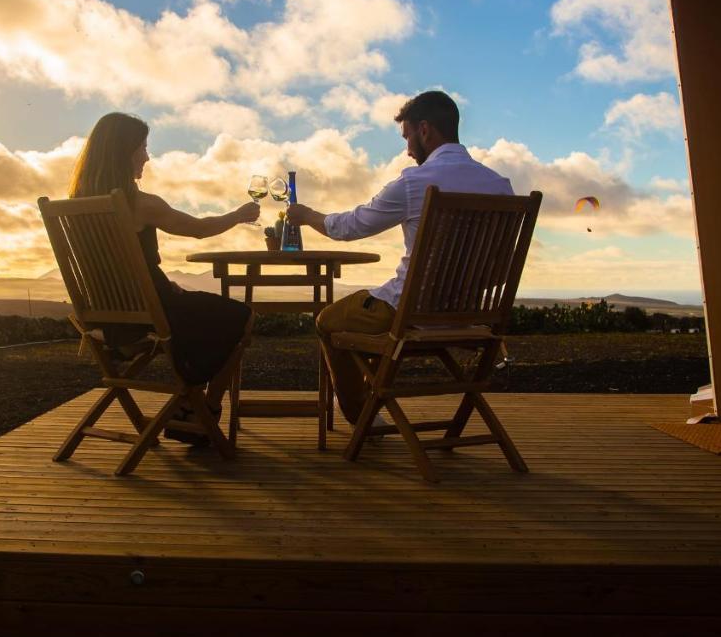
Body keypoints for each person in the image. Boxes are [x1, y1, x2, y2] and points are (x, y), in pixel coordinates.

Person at [286, 90, 514, 426]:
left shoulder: (414, 183)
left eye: (407, 136)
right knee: (367, 327)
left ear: (425, 130)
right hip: (468, 317)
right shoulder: (500, 186)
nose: (408, 150)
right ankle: (370, 400)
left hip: (407, 312)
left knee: (328, 320)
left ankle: (358, 413)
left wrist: (306, 215)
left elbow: (350, 226)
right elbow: (499, 270)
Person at [68, 112, 259, 443]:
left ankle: (190, 406)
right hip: (153, 313)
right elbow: (198, 229)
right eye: (142, 146)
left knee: (202, 309)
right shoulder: (139, 203)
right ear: (122, 151)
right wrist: (238, 216)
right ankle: (203, 409)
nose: (147, 155)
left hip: (111, 317)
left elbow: (112, 267)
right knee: (242, 316)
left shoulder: (76, 204)